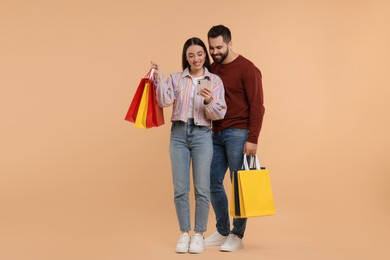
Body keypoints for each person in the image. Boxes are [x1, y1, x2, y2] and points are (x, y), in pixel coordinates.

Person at [152, 37, 227, 254]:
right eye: (191, 55)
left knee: (202, 189)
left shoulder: (214, 81)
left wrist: (208, 101)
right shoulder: (177, 78)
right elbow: (164, 102)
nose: (196, 58)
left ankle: (198, 234)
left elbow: (219, 113)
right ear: (186, 57)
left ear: (205, 55)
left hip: (203, 134)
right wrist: (159, 79)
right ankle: (184, 233)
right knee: (180, 189)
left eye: (200, 54)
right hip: (178, 134)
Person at [204, 25, 265, 252]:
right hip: (215, 133)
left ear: (230, 43)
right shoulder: (212, 68)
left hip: (239, 133)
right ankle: (222, 231)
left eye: (219, 47)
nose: (215, 52)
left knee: (239, 185)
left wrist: (253, 138)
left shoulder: (247, 69)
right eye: (211, 48)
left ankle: (237, 235)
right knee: (212, 181)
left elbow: (258, 106)